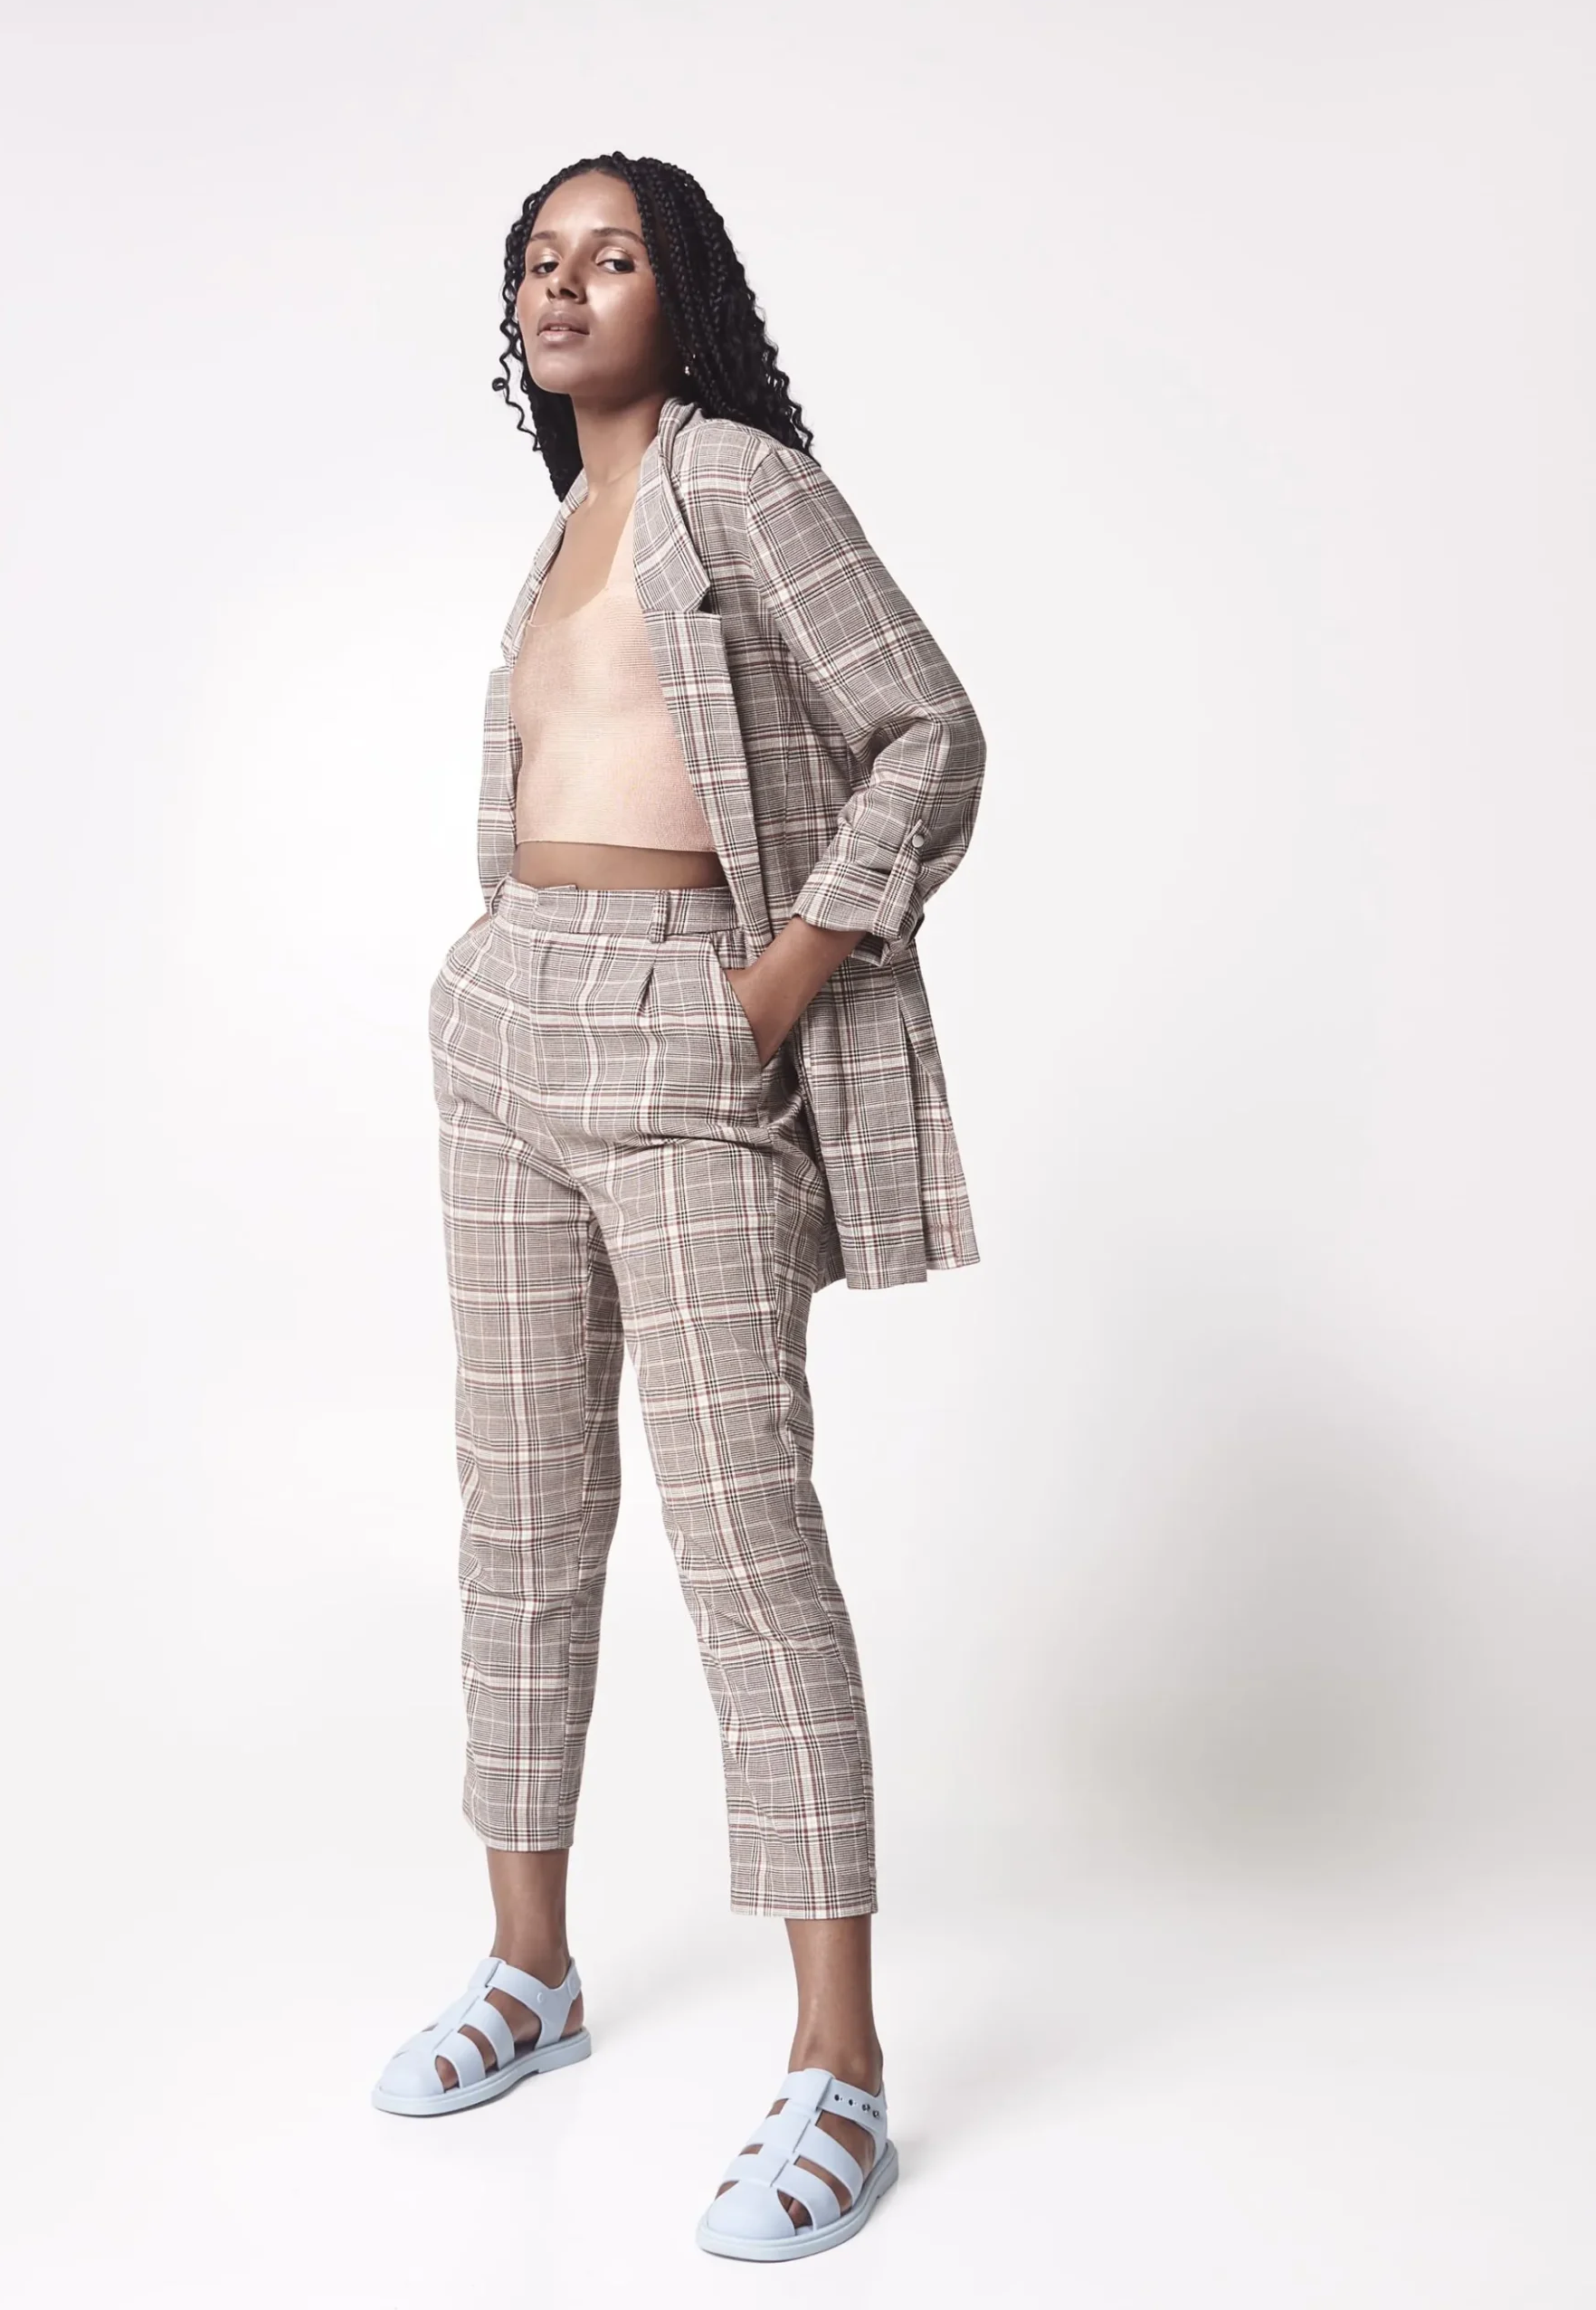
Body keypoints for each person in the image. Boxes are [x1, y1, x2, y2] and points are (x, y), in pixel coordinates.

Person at [372, 151, 985, 2264]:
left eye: (607, 256)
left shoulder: (737, 479)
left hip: (683, 1025)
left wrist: (782, 978)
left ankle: (841, 2063)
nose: (561, 286)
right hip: (506, 1021)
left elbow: (927, 728)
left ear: (681, 290)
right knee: (521, 1513)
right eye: (536, 261)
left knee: (743, 1537)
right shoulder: (565, 519)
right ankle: (527, 1967)